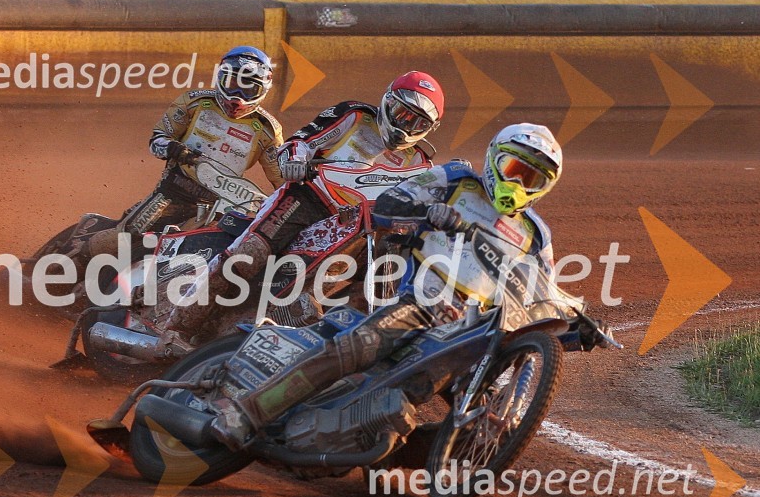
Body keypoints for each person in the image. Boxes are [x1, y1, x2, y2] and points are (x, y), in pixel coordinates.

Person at [209, 122, 583, 450]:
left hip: (474, 329)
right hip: (422, 301)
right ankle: (246, 413)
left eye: (533, 179)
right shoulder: (455, 181)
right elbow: (389, 203)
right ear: (494, 159)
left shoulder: (535, 234)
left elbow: (543, 291)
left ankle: (393, 450)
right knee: (356, 347)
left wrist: (577, 323)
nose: (519, 184)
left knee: (485, 416)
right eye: (515, 169)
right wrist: (427, 212)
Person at [167, 70, 445, 338]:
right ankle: (177, 328)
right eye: (401, 113)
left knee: (385, 275)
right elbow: (301, 140)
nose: (404, 126)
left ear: (430, 129)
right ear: (387, 101)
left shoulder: (420, 162)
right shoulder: (354, 116)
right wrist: (294, 161)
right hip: (308, 197)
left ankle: (343, 338)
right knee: (247, 255)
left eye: (416, 122)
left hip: (358, 225)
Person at [71, 46, 284, 276]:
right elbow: (157, 140)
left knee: (185, 256)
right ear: (220, 78)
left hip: (218, 207)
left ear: (262, 90)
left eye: (248, 88)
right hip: (173, 191)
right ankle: (68, 267)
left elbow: (282, 181)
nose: (237, 96)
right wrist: (174, 148)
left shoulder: (267, 130)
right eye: (233, 83)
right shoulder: (195, 102)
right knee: (126, 235)